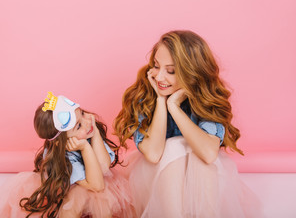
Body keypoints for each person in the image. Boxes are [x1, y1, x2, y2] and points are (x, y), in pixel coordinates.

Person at [113, 30, 263, 217]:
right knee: (175, 145)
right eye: (157, 66)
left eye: (171, 71)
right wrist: (161, 101)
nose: (159, 78)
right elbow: (153, 154)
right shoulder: (146, 94)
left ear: (192, 72)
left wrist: (174, 107)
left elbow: (208, 154)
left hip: (198, 178)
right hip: (152, 180)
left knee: (195, 152)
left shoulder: (204, 99)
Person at [0, 92, 134, 218]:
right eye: (78, 126)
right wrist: (85, 148)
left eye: (83, 113)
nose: (87, 122)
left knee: (103, 203)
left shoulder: (88, 132)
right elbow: (96, 185)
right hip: (75, 187)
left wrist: (96, 135)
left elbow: (104, 168)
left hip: (98, 180)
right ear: (62, 141)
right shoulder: (65, 156)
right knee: (76, 198)